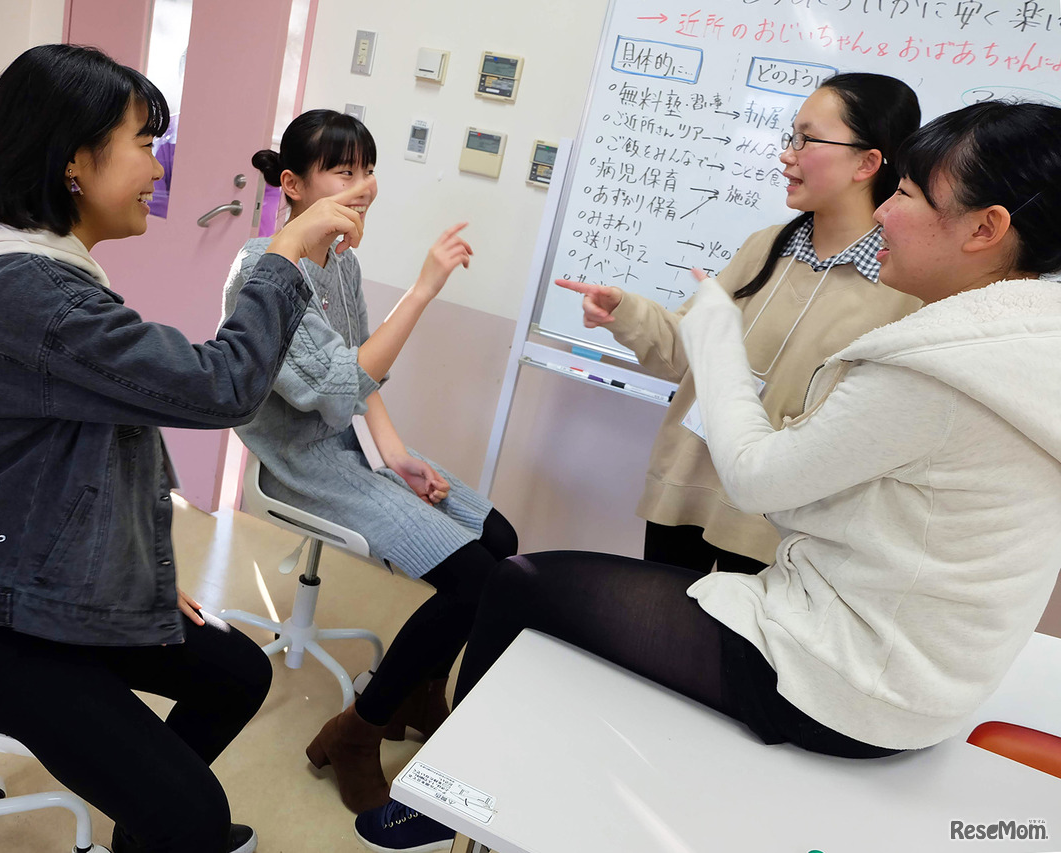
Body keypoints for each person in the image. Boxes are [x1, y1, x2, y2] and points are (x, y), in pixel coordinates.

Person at [447, 99, 1061, 842]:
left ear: (985, 227)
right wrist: (666, 321)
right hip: (906, 669)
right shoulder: (1015, 335)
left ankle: (455, 797)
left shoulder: (929, 353)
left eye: (905, 193)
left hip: (840, 668)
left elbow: (760, 468)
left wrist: (714, 332)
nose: (885, 213)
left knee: (520, 581)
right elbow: (690, 343)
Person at [0, 45, 367, 853]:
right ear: (74, 158)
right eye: (145, 142)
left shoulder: (48, 271)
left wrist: (131, 577)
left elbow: (103, 456)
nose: (159, 165)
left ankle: (148, 826)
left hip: (24, 576)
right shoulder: (26, 289)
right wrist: (284, 254)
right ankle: (166, 821)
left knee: (237, 674)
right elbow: (219, 386)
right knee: (196, 814)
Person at [221, 110, 519, 818]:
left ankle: (413, 689)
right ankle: (355, 732)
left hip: (350, 446)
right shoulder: (264, 274)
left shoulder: (342, 261)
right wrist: (422, 291)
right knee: (473, 580)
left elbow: (361, 381)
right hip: (300, 461)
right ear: (293, 185)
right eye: (342, 171)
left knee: (500, 542)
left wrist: (397, 456)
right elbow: (332, 389)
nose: (362, 187)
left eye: (367, 169)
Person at [557, 73, 922, 574]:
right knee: (654, 632)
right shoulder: (766, 246)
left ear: (867, 162)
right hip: (688, 484)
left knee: (727, 648)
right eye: (790, 136)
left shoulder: (903, 286)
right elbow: (689, 355)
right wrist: (625, 309)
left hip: (777, 524)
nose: (787, 155)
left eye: (807, 139)